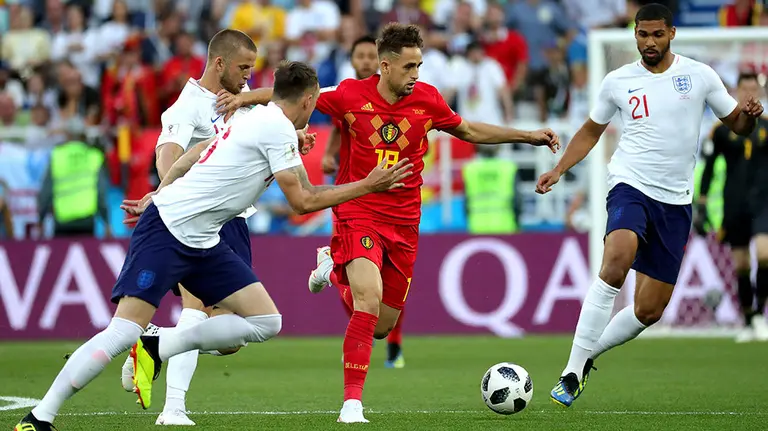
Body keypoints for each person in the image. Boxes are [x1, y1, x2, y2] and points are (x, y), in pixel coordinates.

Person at [14, 61, 412, 431]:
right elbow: (303, 202)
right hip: (170, 230)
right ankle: (39, 416)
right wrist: (368, 185)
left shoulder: (259, 118)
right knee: (121, 331)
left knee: (266, 322)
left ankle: (157, 344)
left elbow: (194, 156)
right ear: (309, 100)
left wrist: (158, 190)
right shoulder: (271, 127)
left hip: (205, 238)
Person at [218, 23, 558, 423]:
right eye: (410, 66)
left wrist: (527, 135)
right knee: (367, 302)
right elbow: (289, 97)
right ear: (385, 66)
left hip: (405, 221)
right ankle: (351, 404)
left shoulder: (429, 101)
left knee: (382, 325)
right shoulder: (348, 94)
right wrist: (242, 101)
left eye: (420, 65)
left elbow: (467, 129)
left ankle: (332, 268)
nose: (417, 74)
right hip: (357, 209)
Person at [535, 3, 764, 408]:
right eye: (643, 35)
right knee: (616, 259)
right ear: (635, 34)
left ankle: (588, 357)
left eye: (657, 34)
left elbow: (738, 125)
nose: (650, 42)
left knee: (648, 310)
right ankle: (571, 371)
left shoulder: (699, 75)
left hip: (676, 201)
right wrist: (560, 169)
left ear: (672, 33)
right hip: (630, 185)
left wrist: (749, 116)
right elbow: (591, 130)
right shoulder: (618, 81)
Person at [118, 28, 274, 427]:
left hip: (235, 219)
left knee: (234, 337)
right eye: (242, 68)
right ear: (219, 63)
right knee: (197, 311)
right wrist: (169, 195)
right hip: (199, 218)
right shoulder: (187, 105)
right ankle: (173, 409)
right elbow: (168, 155)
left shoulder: (240, 102)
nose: (247, 77)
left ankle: (157, 344)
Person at [313, 34, 409, 368]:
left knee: (381, 289)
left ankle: (331, 271)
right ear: (354, 60)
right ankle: (336, 273)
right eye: (361, 56)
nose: (366, 61)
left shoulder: (399, 95)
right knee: (367, 290)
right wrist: (328, 154)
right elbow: (340, 127)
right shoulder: (349, 92)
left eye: (371, 55)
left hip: (391, 201)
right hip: (351, 197)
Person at [697, 72, 768, 343]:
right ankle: (749, 319)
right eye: (745, 88)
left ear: (760, 92)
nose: (749, 92)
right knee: (741, 264)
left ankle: (760, 314)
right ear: (736, 91)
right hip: (734, 203)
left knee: (764, 254)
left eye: (754, 87)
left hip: (763, 202)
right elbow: (709, 166)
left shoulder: (767, 127)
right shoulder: (723, 130)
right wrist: (702, 203)